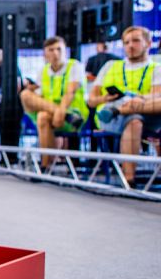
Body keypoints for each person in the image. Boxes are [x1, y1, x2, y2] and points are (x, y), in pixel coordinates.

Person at [88, 26, 161, 185]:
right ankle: (129, 180)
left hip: (148, 114)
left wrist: (139, 98)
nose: (130, 46)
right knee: (134, 120)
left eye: (136, 41)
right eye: (126, 42)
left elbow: (157, 96)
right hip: (110, 117)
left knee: (141, 110)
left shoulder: (156, 68)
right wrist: (106, 98)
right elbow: (91, 101)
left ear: (148, 43)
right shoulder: (110, 66)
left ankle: (120, 109)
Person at [19, 36, 88, 167]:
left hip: (75, 116)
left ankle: (45, 166)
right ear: (45, 53)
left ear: (65, 51)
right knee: (26, 95)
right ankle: (46, 166)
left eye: (59, 49)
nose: (55, 53)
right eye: (51, 50)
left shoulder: (75, 66)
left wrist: (61, 111)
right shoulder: (43, 71)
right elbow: (39, 96)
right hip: (59, 115)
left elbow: (70, 93)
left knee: (42, 116)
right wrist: (31, 90)